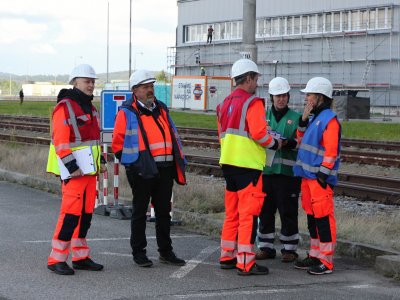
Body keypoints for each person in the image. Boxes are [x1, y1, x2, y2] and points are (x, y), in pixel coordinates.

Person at [112, 69, 187, 268]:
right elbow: (118, 145)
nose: (150, 90)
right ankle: (139, 252)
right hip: (141, 169)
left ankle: (166, 251)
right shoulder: (127, 112)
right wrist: (134, 165)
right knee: (140, 212)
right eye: (146, 87)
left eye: (151, 86)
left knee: (163, 213)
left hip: (165, 169)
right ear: (135, 90)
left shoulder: (161, 108)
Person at [217, 58, 282, 276]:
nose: (257, 83)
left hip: (228, 164)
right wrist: (276, 143)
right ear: (249, 78)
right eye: (256, 78)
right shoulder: (253, 103)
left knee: (232, 213)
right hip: (248, 167)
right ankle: (246, 262)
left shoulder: (224, 103)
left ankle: (227, 255)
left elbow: (222, 135)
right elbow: (259, 134)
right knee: (248, 216)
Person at [46, 64, 106, 275]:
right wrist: (73, 167)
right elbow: (61, 142)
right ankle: (56, 259)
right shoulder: (65, 107)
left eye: (92, 81)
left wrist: (102, 163)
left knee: (85, 215)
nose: (90, 85)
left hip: (89, 172)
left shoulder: (90, 107)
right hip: (75, 172)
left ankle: (80, 256)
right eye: (86, 81)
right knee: (70, 215)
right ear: (74, 83)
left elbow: (94, 141)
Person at [293, 77, 341, 275]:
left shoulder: (329, 120)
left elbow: (331, 152)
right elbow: (300, 141)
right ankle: (315, 255)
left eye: (309, 94)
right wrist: (303, 120)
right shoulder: (315, 118)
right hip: (308, 178)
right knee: (313, 218)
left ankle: (326, 261)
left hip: (318, 179)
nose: (306, 98)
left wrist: (322, 176)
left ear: (320, 97)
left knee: (323, 219)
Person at [256, 77, 301, 263]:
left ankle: (289, 249)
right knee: (265, 210)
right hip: (266, 172)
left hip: (287, 174)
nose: (281, 99)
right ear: (271, 97)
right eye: (277, 96)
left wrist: (289, 143)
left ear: (288, 96)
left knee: (288, 210)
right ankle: (265, 246)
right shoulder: (262, 116)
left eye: (283, 95)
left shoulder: (296, 118)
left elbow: (302, 142)